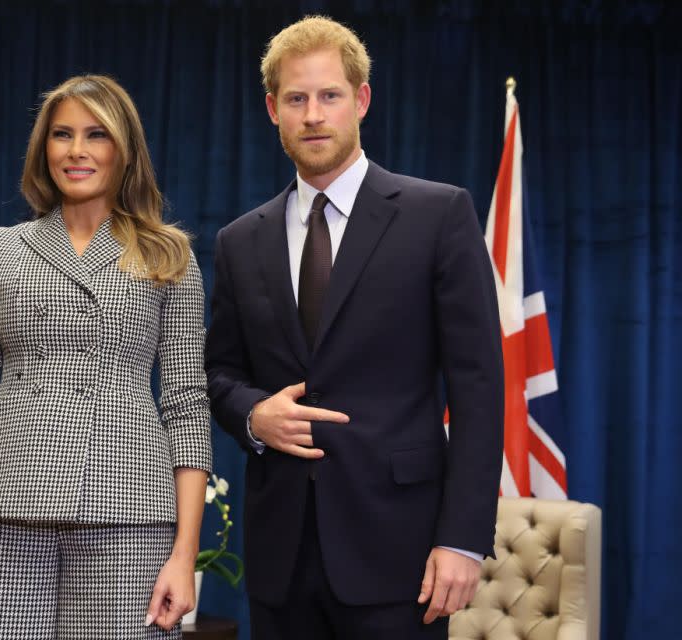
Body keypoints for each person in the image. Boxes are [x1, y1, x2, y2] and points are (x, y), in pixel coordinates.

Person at [205, 16, 504, 640]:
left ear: (360, 100)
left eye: (329, 95)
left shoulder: (438, 214)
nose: (313, 114)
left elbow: (478, 387)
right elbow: (222, 374)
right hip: (281, 557)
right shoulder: (239, 241)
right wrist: (254, 416)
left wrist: (463, 540)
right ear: (272, 109)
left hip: (403, 554)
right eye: (296, 98)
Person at [0, 74, 212, 639]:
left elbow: (186, 405)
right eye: (62, 134)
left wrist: (184, 552)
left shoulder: (168, 256)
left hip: (129, 513)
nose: (77, 150)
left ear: (123, 152)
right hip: (2, 508)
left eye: (96, 135)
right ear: (43, 149)